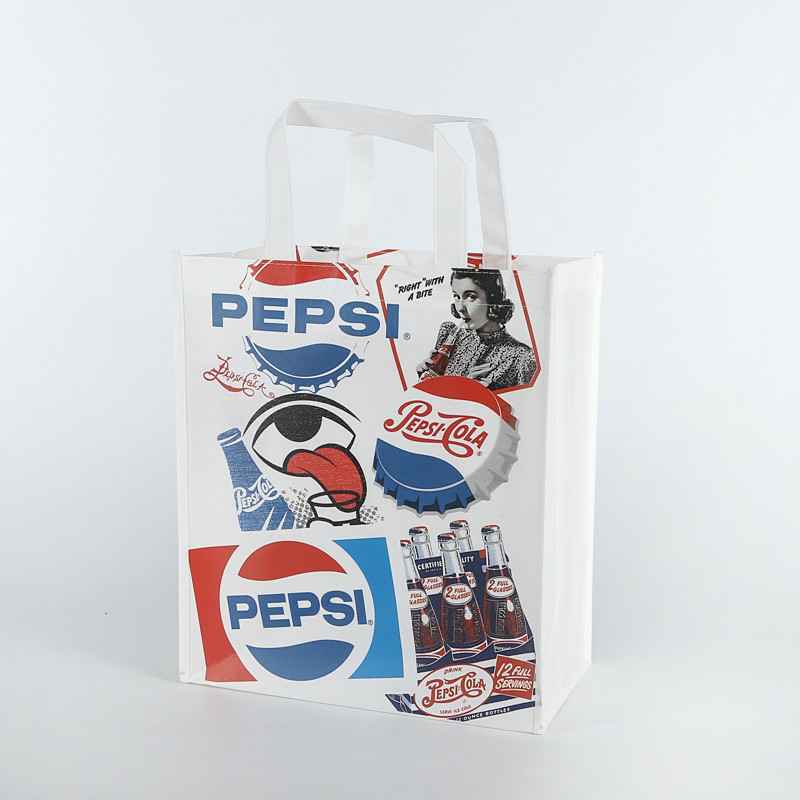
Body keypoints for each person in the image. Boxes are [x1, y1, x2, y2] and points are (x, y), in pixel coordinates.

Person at [417, 268, 535, 390]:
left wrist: (481, 393)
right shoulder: (449, 333)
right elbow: (436, 393)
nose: (460, 308)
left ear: (492, 299)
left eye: (470, 297)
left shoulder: (522, 357)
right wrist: (424, 377)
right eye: (456, 296)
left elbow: (525, 401)